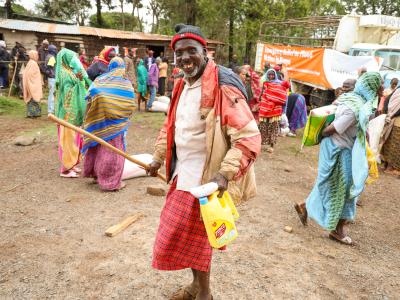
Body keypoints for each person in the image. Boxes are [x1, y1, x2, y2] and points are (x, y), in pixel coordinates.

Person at [147, 24, 261, 300]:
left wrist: (223, 175)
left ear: (205, 52)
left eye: (191, 51)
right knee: (181, 239)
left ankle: (204, 295)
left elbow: (248, 137)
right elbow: (170, 127)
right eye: (179, 53)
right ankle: (197, 287)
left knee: (198, 243)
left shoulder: (223, 87)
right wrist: (157, 158)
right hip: (182, 176)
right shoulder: (180, 86)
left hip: (206, 181)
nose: (185, 58)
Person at [295, 72, 383, 245]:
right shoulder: (355, 107)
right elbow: (333, 128)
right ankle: (337, 231)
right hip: (340, 150)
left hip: (341, 147)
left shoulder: (352, 99)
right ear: (372, 86)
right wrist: (319, 136)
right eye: (380, 85)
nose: (383, 89)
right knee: (348, 190)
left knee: (330, 183)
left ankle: (305, 206)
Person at [82, 57, 136, 191]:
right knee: (112, 152)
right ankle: (109, 182)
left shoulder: (100, 80)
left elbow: (90, 95)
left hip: (98, 122)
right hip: (116, 125)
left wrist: (90, 115)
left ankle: (95, 174)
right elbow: (130, 104)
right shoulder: (126, 84)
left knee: (97, 147)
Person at [55, 48, 91, 178]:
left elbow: (78, 85)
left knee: (76, 139)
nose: (74, 61)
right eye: (71, 58)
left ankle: (73, 164)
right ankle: (65, 169)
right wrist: (78, 81)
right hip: (67, 114)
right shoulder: (64, 74)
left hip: (73, 113)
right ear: (66, 60)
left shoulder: (69, 71)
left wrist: (79, 79)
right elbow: (67, 93)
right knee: (67, 141)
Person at [259, 68, 290, 152]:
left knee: (274, 127)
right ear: (267, 75)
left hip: (276, 110)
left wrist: (286, 74)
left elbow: (284, 95)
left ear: (275, 75)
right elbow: (261, 96)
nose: (271, 76)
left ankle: (271, 146)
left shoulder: (280, 84)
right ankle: (259, 144)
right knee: (263, 127)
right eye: (269, 74)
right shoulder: (265, 84)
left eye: (272, 74)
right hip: (265, 109)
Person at [379, 86, 400, 176]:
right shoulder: (397, 90)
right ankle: (390, 167)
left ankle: (389, 166)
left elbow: (388, 102)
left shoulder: (397, 90)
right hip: (396, 121)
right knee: (393, 145)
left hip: (392, 119)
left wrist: (389, 114)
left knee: (390, 143)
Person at [22, 50, 43, 118]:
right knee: (33, 99)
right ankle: (33, 114)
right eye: (36, 55)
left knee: (31, 99)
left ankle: (32, 113)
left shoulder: (30, 62)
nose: (38, 56)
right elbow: (30, 74)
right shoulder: (33, 63)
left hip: (30, 83)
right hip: (33, 84)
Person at [44, 45, 57, 114]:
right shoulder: (52, 57)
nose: (56, 51)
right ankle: (50, 110)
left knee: (51, 94)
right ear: (52, 50)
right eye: (55, 49)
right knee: (52, 94)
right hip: (52, 77)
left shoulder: (48, 56)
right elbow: (49, 67)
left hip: (50, 77)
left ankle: (51, 109)